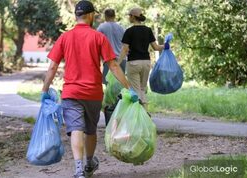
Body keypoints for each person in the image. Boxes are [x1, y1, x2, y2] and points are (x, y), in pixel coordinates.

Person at [41, 1, 138, 178]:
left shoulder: (65, 37)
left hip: (71, 93)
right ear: (91, 15)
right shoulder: (98, 37)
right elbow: (114, 66)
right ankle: (88, 164)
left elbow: (52, 67)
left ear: (75, 16)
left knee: (75, 129)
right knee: (90, 130)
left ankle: (78, 169)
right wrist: (129, 88)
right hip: (93, 93)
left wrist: (44, 90)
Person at [117, 7, 170, 108]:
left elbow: (125, 49)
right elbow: (156, 47)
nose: (129, 17)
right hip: (146, 63)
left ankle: (138, 117)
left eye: (129, 15)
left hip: (133, 63)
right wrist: (166, 46)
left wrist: (117, 63)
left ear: (133, 17)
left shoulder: (129, 31)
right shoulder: (148, 30)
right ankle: (145, 113)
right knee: (142, 89)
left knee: (135, 91)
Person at [97, 8, 126, 84]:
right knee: (120, 83)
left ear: (105, 16)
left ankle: (114, 96)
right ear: (114, 16)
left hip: (109, 60)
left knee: (107, 82)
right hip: (122, 59)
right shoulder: (121, 28)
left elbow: (96, 42)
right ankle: (120, 96)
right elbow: (125, 44)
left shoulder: (101, 27)